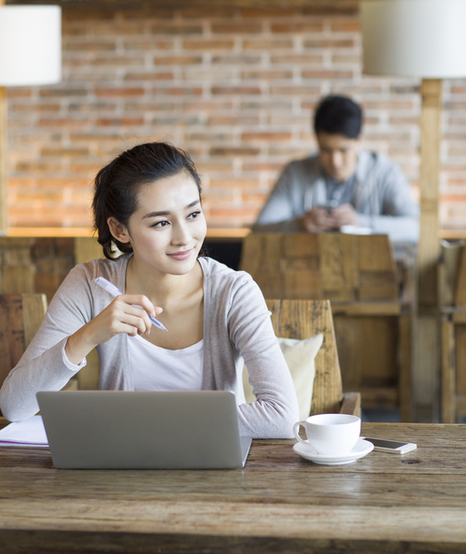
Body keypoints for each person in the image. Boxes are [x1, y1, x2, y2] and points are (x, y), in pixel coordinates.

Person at [0, 142, 298, 438]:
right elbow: (15, 407)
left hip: (216, 474)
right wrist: (89, 335)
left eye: (193, 215)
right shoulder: (90, 283)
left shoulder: (234, 292)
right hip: (120, 475)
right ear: (120, 230)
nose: (184, 238)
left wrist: (148, 424)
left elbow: (281, 416)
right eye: (161, 223)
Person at [252, 94, 419, 249]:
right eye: (326, 150)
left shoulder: (385, 172)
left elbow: (415, 228)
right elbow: (258, 231)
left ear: (359, 141)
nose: (335, 161)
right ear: (316, 140)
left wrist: (361, 223)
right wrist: (299, 224)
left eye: (343, 150)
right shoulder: (295, 173)